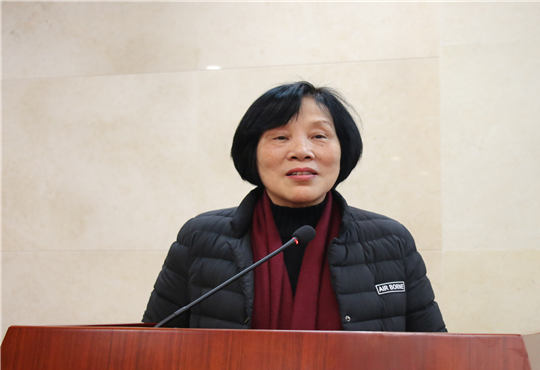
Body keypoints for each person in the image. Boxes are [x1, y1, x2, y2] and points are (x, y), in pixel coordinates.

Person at [143, 81, 446, 332]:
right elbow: (153, 347)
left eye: (319, 136)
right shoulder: (201, 237)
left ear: (344, 149)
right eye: (280, 137)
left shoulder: (390, 240)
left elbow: (434, 354)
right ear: (252, 152)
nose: (301, 151)